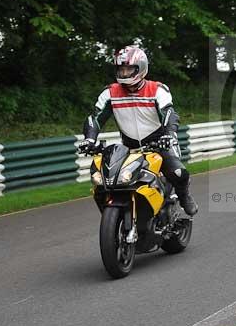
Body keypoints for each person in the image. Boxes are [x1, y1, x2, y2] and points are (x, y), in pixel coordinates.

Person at [78, 45, 198, 216]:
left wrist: (169, 135)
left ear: (141, 68)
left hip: (160, 142)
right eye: (121, 69)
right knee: (107, 180)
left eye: (129, 69)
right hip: (129, 146)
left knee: (179, 173)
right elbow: (95, 118)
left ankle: (184, 196)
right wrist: (89, 139)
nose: (124, 73)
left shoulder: (157, 89)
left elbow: (169, 114)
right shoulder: (110, 92)